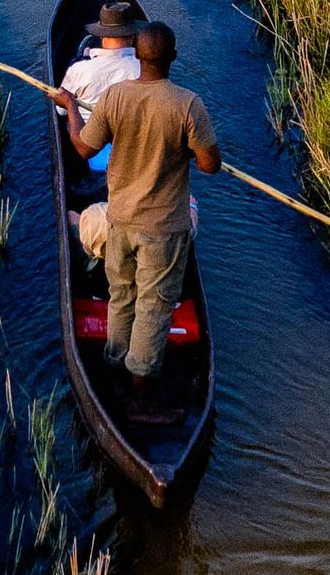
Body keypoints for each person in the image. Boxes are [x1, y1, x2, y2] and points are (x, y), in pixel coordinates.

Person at [63, 19, 220, 386]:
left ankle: (113, 362)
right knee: (153, 307)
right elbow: (210, 165)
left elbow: (83, 147)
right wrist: (191, 149)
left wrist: (70, 106)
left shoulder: (116, 98)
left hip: (120, 221)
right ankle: (139, 390)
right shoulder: (188, 105)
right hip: (163, 230)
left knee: (121, 297)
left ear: (140, 55)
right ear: (173, 58)